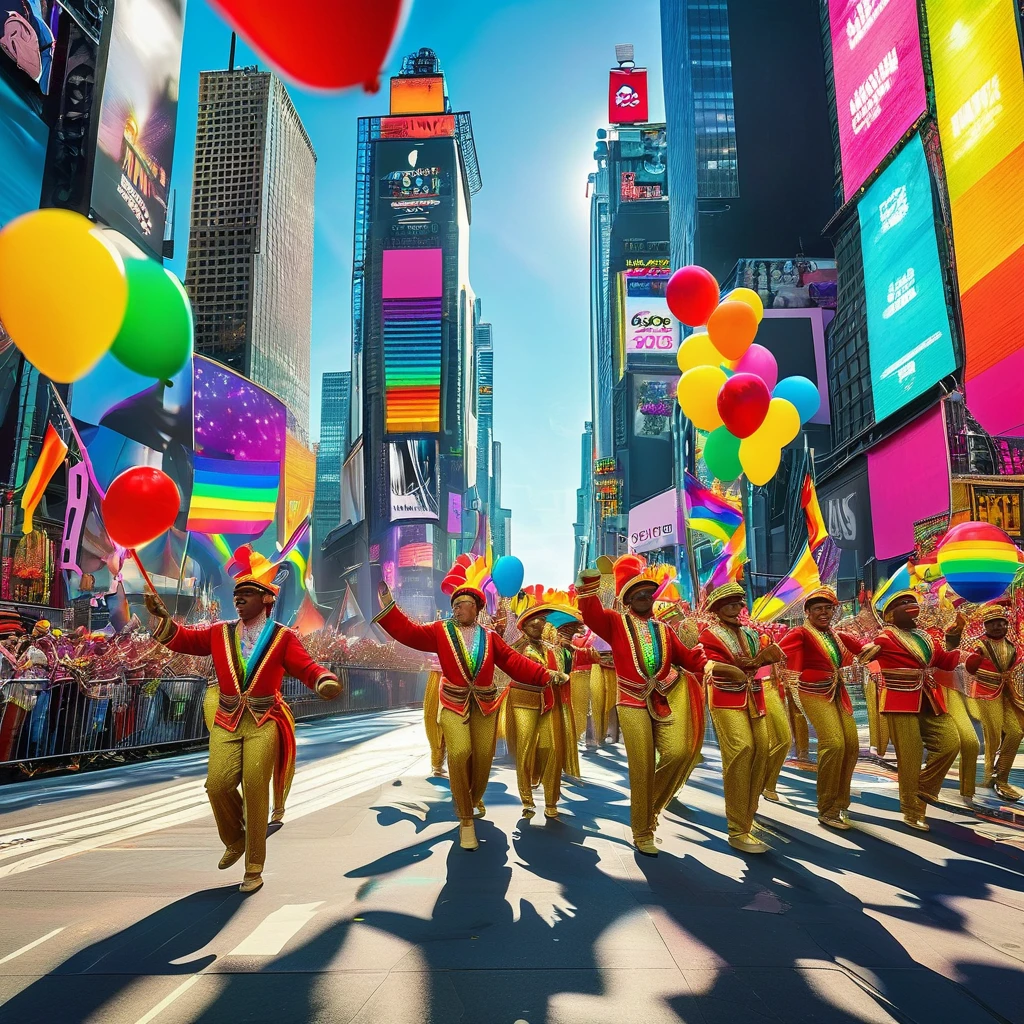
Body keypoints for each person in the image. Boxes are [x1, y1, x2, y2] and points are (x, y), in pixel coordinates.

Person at [145, 546, 340, 893]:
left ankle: (253, 867)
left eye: (247, 594)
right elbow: (183, 639)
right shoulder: (219, 633)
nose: (239, 599)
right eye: (237, 594)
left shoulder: (283, 637)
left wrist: (323, 680)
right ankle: (234, 838)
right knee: (216, 785)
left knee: (254, 786)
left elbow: (306, 666)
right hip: (227, 719)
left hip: (264, 720)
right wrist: (163, 620)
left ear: (266, 599)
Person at [374, 557, 566, 851]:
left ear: (476, 608)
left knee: (484, 759)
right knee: (460, 751)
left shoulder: (490, 637)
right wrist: (389, 604)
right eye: (455, 603)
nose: (457, 607)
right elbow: (409, 632)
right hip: (452, 702)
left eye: (463, 603)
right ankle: (465, 819)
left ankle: (474, 798)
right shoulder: (440, 631)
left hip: (485, 705)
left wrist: (547, 674)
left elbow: (515, 663)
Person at [576, 554, 712, 856]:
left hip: (662, 698)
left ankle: (649, 807)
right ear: (627, 600)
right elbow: (591, 614)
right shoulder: (615, 622)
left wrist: (707, 654)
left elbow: (688, 660)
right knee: (642, 766)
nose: (644, 596)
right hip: (631, 700)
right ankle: (642, 830)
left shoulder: (665, 630)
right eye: (637, 593)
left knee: (679, 753)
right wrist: (589, 584)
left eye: (648, 593)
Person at [862, 590, 964, 832]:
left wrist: (955, 635)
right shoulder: (884, 638)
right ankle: (912, 810)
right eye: (902, 604)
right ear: (890, 615)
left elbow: (946, 662)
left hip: (929, 698)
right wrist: (867, 650)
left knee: (951, 743)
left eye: (911, 602)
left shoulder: (926, 637)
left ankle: (924, 788)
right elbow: (865, 651)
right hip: (899, 700)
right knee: (911, 754)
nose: (910, 606)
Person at [699, 582, 783, 854]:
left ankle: (748, 817)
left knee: (762, 751)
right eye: (731, 604)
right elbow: (708, 664)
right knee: (741, 750)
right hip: (725, 699)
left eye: (739, 603)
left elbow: (754, 660)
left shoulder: (750, 633)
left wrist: (764, 658)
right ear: (718, 608)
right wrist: (751, 663)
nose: (737, 609)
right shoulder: (709, 634)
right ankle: (737, 829)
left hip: (754, 697)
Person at [779, 588, 866, 830]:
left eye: (828, 608)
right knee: (834, 743)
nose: (824, 613)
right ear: (807, 612)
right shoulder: (800, 634)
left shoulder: (836, 636)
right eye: (818, 609)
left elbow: (866, 650)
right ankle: (826, 809)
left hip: (837, 692)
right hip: (812, 693)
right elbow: (780, 650)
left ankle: (840, 803)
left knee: (851, 745)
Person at [508, 593, 589, 819]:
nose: (537, 623)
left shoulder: (552, 649)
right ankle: (527, 799)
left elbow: (565, 673)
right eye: (532, 619)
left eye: (542, 619)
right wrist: (551, 674)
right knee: (525, 750)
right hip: (524, 701)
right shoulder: (515, 646)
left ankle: (552, 801)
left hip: (548, 702)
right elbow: (523, 668)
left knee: (552, 749)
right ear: (523, 623)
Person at [962, 603, 1023, 802]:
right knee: (993, 736)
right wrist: (973, 659)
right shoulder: (979, 646)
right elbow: (969, 668)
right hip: (986, 694)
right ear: (985, 626)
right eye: (993, 623)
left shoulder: (1013, 646)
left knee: (1015, 732)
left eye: (1001, 623)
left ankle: (1001, 777)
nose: (998, 627)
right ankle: (989, 776)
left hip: (1007, 694)